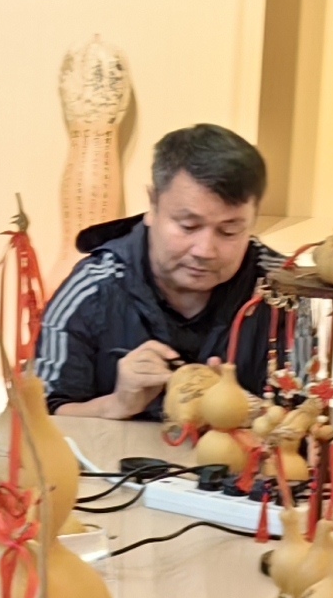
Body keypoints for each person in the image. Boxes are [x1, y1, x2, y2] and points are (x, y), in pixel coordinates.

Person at [34, 123, 281, 418]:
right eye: (188, 226)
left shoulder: (282, 293)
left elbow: (309, 416)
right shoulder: (92, 289)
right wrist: (118, 404)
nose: (205, 250)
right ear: (153, 205)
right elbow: (40, 417)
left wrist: (240, 409)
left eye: (229, 231)